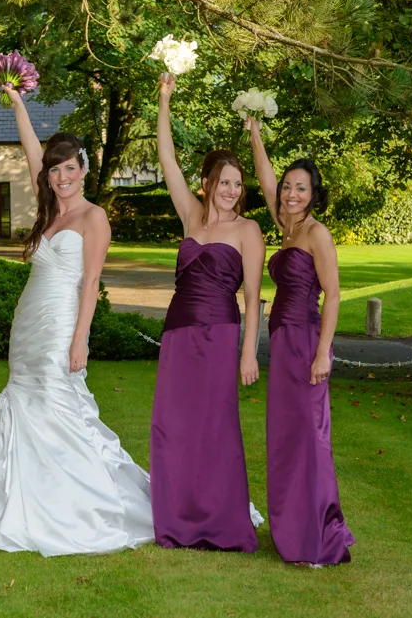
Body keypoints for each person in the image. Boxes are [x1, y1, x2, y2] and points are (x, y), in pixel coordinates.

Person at [0, 82, 153, 556]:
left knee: (59, 405)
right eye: (55, 171)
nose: (61, 177)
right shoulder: (50, 210)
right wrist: (17, 105)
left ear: (84, 170)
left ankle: (77, 504)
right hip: (28, 323)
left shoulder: (95, 218)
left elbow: (90, 285)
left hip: (62, 326)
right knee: (24, 401)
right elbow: (33, 153)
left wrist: (81, 341)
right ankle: (15, 497)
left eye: (69, 169)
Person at [150, 73, 265, 552]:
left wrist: (248, 354)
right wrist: (164, 101)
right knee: (173, 426)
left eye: (239, 184)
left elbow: (253, 297)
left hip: (220, 335)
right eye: (225, 182)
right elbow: (166, 157)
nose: (232, 191)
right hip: (178, 332)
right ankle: (177, 520)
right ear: (208, 183)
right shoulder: (190, 215)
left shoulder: (249, 231)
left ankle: (218, 522)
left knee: (215, 428)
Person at [248, 115, 355, 566]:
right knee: (286, 437)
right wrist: (255, 132)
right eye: (288, 187)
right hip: (283, 344)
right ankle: (290, 529)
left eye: (300, 189)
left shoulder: (316, 233)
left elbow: (333, 295)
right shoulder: (287, 226)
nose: (290, 194)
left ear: (315, 196)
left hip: (308, 343)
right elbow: (264, 175)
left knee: (311, 439)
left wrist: (323, 354)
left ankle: (317, 536)